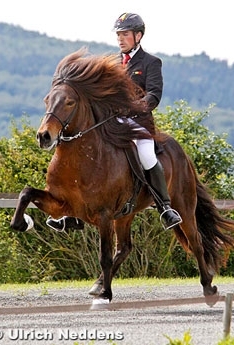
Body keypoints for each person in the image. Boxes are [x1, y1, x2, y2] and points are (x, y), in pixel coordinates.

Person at [46, 12, 182, 232]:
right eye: (118, 34)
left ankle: (165, 207)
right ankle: (74, 213)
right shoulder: (112, 63)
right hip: (111, 123)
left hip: (138, 124)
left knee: (147, 156)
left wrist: (133, 108)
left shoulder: (150, 63)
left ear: (138, 36)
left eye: (125, 34)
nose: (120, 39)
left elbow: (154, 96)